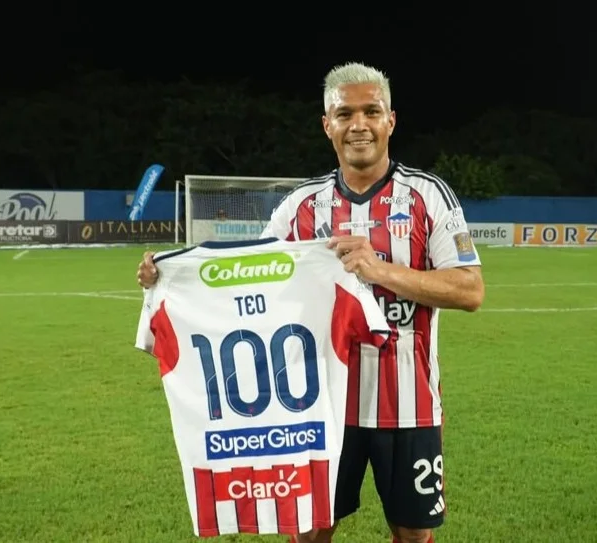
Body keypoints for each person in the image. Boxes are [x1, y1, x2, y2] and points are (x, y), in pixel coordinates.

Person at [137, 61, 485, 543]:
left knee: (413, 535)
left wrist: (377, 269)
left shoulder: (428, 196)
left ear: (391, 121)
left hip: (409, 406)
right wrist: (170, 275)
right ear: (327, 125)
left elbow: (470, 290)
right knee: (309, 532)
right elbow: (243, 278)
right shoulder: (301, 206)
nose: (358, 125)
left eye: (371, 111)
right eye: (344, 114)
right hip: (319, 409)